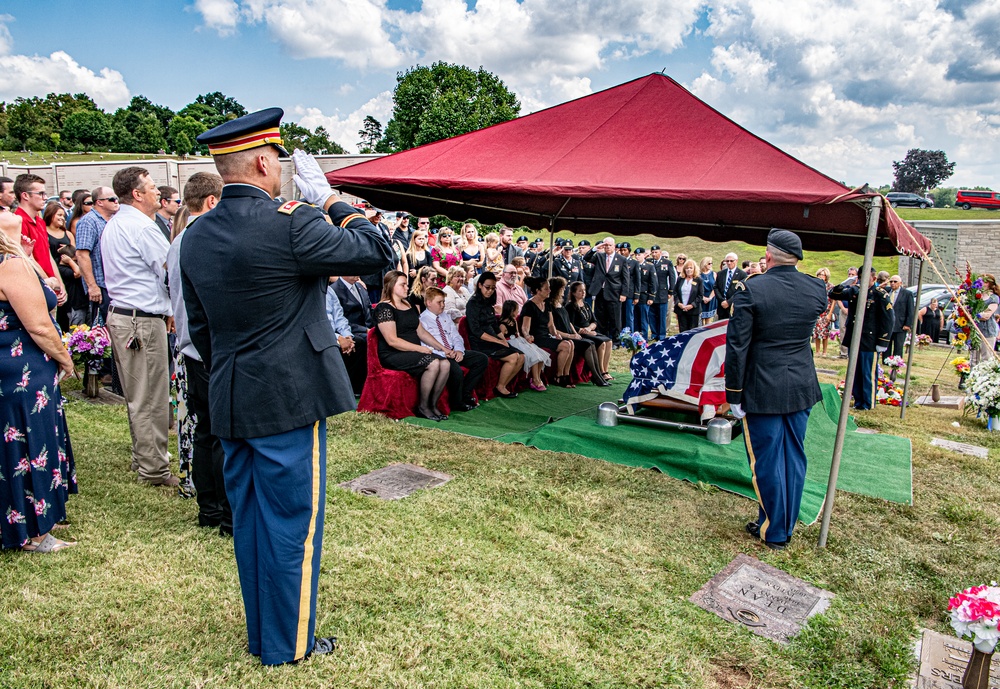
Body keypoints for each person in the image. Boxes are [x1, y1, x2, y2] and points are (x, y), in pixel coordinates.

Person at [181, 109, 395, 665]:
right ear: (261, 159)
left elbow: (201, 328)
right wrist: (333, 203)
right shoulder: (292, 221)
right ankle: (287, 645)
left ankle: (264, 633)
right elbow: (378, 253)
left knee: (251, 522)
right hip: (288, 398)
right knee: (292, 526)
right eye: (277, 160)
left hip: (230, 394)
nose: (280, 170)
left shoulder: (195, 235)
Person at [725, 229, 828, 550]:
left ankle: (776, 531)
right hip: (800, 383)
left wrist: (733, 393)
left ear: (768, 255)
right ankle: (778, 520)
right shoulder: (816, 288)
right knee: (793, 456)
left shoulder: (751, 289)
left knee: (767, 460)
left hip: (761, 386)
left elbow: (737, 345)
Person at [0, 216, 78, 553]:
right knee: (30, 443)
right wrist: (65, 357)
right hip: (23, 371)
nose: (14, 212)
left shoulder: (17, 259)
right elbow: (40, 327)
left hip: (13, 369)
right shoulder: (10, 265)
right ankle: (35, 531)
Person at [167, 171, 231, 531]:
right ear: (211, 202)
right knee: (221, 433)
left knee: (206, 431)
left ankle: (209, 510)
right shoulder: (203, 240)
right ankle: (224, 513)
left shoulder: (179, 241)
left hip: (191, 349)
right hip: (209, 349)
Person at [376, 272, 453, 420]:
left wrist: (443, 348)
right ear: (391, 286)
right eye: (403, 284)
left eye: (407, 284)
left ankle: (432, 404)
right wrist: (420, 349)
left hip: (411, 351)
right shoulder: (384, 308)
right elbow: (392, 340)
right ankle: (423, 407)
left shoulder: (408, 304)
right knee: (434, 363)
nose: (407, 287)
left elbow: (422, 332)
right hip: (393, 353)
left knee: (445, 364)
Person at [829, 269, 893, 410]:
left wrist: (883, 342)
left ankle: (868, 403)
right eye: (860, 277)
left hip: (869, 339)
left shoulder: (879, 294)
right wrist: (843, 284)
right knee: (855, 371)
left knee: (867, 372)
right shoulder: (854, 291)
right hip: (854, 338)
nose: (862, 280)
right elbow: (833, 294)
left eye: (866, 278)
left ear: (874, 278)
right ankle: (858, 401)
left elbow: (888, 319)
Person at [420, 287, 488, 411]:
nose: (442, 305)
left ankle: (465, 393)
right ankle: (457, 402)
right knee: (456, 371)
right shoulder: (422, 320)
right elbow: (425, 344)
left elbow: (456, 336)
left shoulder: (444, 316)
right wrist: (444, 353)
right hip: (440, 354)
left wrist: (459, 351)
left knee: (481, 359)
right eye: (439, 302)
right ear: (429, 303)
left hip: (453, 350)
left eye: (443, 302)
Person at [464, 272, 525, 397]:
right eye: (487, 287)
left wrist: (503, 340)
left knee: (522, 356)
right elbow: (476, 331)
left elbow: (495, 326)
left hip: (493, 339)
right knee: (513, 357)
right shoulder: (472, 303)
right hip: (480, 343)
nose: (490, 291)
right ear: (480, 285)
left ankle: (503, 385)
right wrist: (499, 341)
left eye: (493, 288)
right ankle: (500, 387)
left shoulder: (488, 303)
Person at [549, 277, 609, 386]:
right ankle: (596, 377)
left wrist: (575, 334)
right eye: (562, 288)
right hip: (563, 335)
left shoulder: (560, 303)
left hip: (571, 333)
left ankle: (598, 375)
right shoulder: (551, 305)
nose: (563, 290)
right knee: (588, 344)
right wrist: (571, 335)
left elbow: (569, 322)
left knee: (591, 343)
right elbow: (552, 327)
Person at [522, 276, 574, 387]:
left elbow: (551, 325)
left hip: (547, 335)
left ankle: (566, 374)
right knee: (566, 345)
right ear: (538, 290)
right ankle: (558, 376)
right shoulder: (529, 305)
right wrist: (527, 336)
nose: (549, 291)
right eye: (546, 289)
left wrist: (556, 335)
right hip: (537, 338)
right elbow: (525, 327)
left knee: (571, 343)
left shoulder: (547, 304)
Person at [44, 202, 87, 329]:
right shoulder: (44, 232)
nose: (62, 218)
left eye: (63, 215)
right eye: (59, 215)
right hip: (56, 270)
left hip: (71, 269)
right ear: (51, 215)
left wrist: (68, 254)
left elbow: (75, 252)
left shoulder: (67, 234)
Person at [331, 275, 374, 396]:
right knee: (362, 341)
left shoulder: (361, 287)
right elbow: (340, 319)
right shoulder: (334, 289)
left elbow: (369, 310)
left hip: (352, 330)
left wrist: (347, 335)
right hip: (350, 330)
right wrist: (344, 336)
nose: (357, 273)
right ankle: (357, 386)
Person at [498, 298, 549, 391]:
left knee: (540, 353)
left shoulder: (514, 320)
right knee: (533, 356)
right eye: (517, 309)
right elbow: (501, 337)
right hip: (511, 342)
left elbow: (517, 333)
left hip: (519, 340)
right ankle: (535, 380)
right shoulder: (502, 324)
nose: (518, 311)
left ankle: (537, 377)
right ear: (512, 311)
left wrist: (527, 338)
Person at [566, 280, 612, 381]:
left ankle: (605, 369)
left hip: (589, 330)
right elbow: (570, 324)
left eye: (584, 291)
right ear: (573, 293)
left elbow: (594, 321)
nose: (583, 293)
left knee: (609, 341)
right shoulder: (570, 306)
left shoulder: (586, 304)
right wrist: (584, 330)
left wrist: (589, 328)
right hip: (580, 333)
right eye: (580, 291)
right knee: (602, 343)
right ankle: (600, 371)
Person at [584, 237, 628, 337]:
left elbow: (625, 278)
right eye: (606, 245)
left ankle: (616, 340)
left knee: (615, 318)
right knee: (600, 317)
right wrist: (595, 248)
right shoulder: (599, 256)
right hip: (600, 291)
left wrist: (624, 293)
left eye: (610, 245)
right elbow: (586, 258)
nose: (608, 247)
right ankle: (602, 337)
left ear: (614, 246)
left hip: (614, 292)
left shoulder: (621, 259)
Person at [885, 275, 915, 360]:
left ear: (900, 283)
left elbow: (910, 310)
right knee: (887, 343)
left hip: (900, 324)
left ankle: (896, 361)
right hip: (888, 324)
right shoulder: (887, 291)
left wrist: (908, 324)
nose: (892, 283)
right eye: (891, 281)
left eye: (895, 282)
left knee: (898, 345)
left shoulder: (907, 294)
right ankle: (886, 359)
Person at [648, 246, 674, 340]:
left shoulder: (667, 262)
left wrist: (671, 291)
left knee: (662, 315)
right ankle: (654, 333)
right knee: (652, 314)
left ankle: (662, 334)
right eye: (653, 252)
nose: (654, 254)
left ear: (660, 252)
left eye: (656, 252)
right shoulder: (649, 262)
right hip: (651, 293)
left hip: (662, 292)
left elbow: (672, 277)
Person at [972, 274, 999, 365]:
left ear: (989, 284)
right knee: (973, 358)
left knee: (986, 358)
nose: (982, 283)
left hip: (987, 331)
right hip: (975, 331)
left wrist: (976, 315)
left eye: (984, 282)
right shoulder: (977, 296)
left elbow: (987, 315)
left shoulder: (994, 298)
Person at [673, 259, 704, 333]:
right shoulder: (680, 279)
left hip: (693, 310)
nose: (689, 270)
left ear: (694, 269)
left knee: (692, 331)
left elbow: (700, 295)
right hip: (681, 309)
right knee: (683, 331)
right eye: (687, 268)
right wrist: (678, 303)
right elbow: (675, 292)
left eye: (691, 268)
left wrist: (692, 305)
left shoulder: (698, 280)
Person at [714, 252, 746, 320]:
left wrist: (729, 302)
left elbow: (741, 290)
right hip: (721, 306)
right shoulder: (721, 274)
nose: (729, 263)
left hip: (734, 307)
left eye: (731, 261)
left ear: (736, 261)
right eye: (727, 261)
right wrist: (722, 300)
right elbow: (716, 287)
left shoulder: (742, 274)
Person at [812, 268, 835, 357]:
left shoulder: (830, 287)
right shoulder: (814, 285)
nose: (821, 276)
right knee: (816, 332)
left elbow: (834, 300)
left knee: (825, 332)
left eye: (823, 275)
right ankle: (817, 351)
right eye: (820, 274)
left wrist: (830, 313)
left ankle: (824, 351)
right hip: (817, 311)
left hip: (826, 311)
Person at [699, 257, 717, 326]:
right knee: (701, 319)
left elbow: (715, 287)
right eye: (709, 263)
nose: (710, 265)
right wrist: (703, 298)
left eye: (711, 263)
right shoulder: (699, 274)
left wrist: (710, 298)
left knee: (708, 320)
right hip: (701, 297)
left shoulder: (713, 274)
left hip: (711, 297)